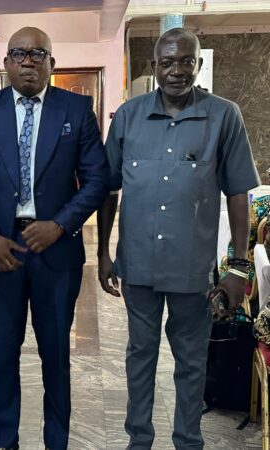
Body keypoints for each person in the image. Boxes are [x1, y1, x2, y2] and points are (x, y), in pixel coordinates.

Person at [97, 28, 261, 450]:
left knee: (191, 360)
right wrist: (102, 253)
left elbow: (238, 192)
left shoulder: (223, 116)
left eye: (186, 61)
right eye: (167, 62)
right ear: (154, 67)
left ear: (198, 64)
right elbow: (108, 189)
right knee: (140, 356)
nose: (177, 71)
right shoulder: (129, 116)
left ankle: (188, 441)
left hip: (192, 268)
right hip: (138, 265)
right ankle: (139, 440)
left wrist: (239, 266)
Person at [0, 27, 109, 450]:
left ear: (51, 63)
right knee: (2, 356)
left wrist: (59, 224)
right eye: (19, 53)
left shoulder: (76, 109)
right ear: (5, 62)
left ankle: (56, 442)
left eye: (38, 53)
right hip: (1, 254)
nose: (28, 60)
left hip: (56, 254)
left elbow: (97, 178)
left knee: (56, 357)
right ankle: (5, 442)